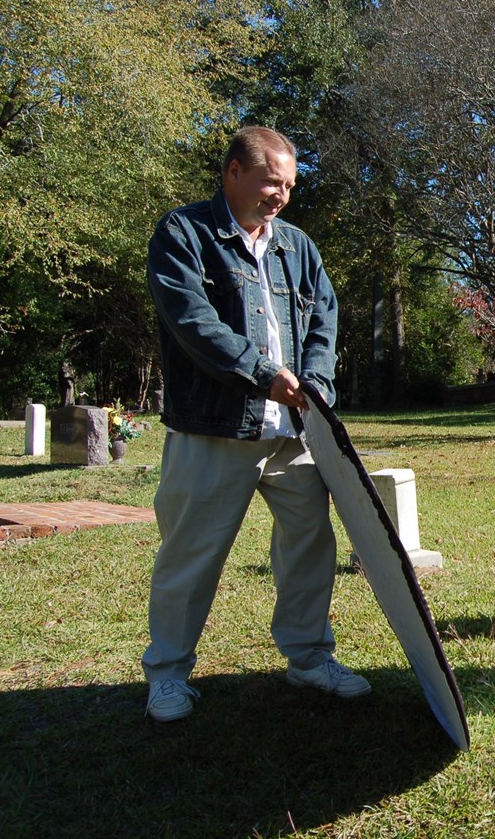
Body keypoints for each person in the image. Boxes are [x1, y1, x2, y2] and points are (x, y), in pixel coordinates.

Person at [141, 126, 369, 722]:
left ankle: (309, 658)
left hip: (293, 432)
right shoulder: (184, 234)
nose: (281, 196)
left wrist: (315, 383)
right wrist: (262, 374)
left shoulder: (298, 246)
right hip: (215, 428)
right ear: (234, 173)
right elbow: (191, 322)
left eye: (289, 185)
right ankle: (167, 675)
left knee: (309, 546)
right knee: (191, 555)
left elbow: (323, 317)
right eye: (272, 182)